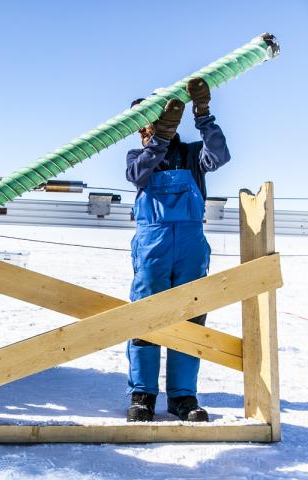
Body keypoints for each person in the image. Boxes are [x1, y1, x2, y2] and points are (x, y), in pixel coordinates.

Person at [125, 77, 231, 422]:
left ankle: (183, 397)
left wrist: (203, 114)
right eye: (141, 126)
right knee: (145, 317)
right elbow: (138, 175)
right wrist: (161, 138)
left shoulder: (191, 155)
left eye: (149, 122)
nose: (143, 131)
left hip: (189, 249)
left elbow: (220, 155)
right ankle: (142, 396)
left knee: (190, 318)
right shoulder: (139, 157)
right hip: (151, 248)